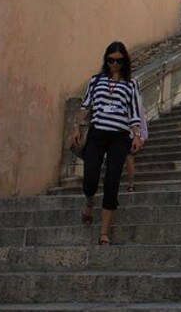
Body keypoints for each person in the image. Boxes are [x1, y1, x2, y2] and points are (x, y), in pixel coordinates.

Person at [71, 41, 143, 245]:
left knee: (112, 182)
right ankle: (88, 201)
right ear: (106, 60)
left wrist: (136, 135)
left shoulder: (131, 83)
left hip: (120, 137)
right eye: (111, 60)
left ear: (125, 61)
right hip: (97, 134)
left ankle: (104, 232)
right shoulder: (96, 81)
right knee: (90, 177)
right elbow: (86, 106)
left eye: (119, 61)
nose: (115, 64)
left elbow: (134, 113)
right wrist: (77, 128)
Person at [124, 99, 149, 193]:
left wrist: (142, 137)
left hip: (131, 134)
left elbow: (142, 119)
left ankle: (131, 184)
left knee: (129, 157)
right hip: (117, 134)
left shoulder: (136, 101)